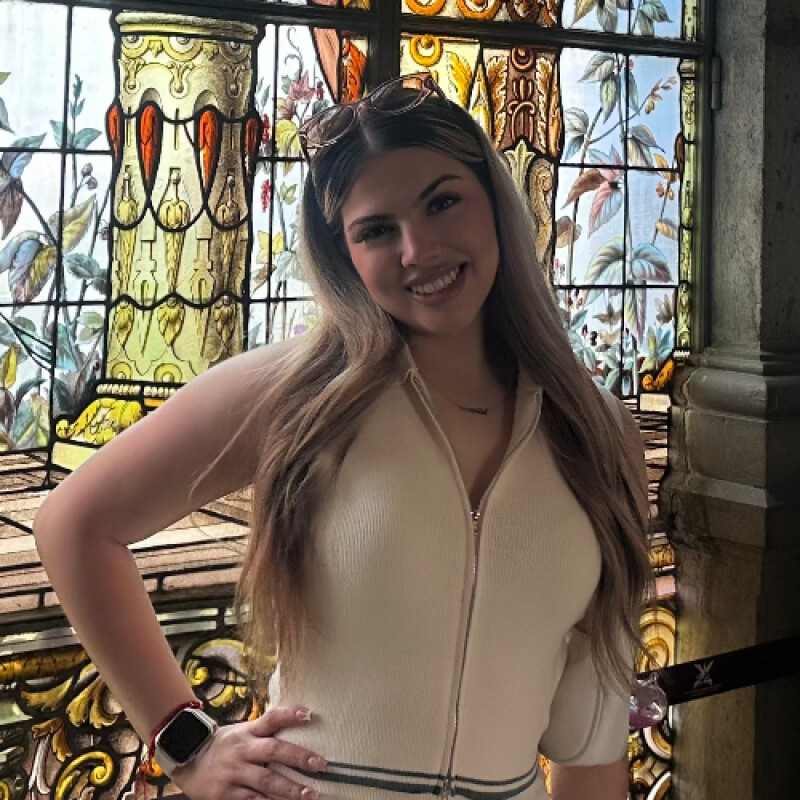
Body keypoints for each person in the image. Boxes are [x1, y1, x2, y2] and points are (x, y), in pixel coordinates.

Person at [33, 73, 652, 800]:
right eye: (376, 230)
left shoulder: (595, 431)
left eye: (443, 202)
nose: (418, 250)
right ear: (344, 254)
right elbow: (73, 524)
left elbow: (591, 741)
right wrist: (187, 745)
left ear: (494, 203)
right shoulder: (297, 392)